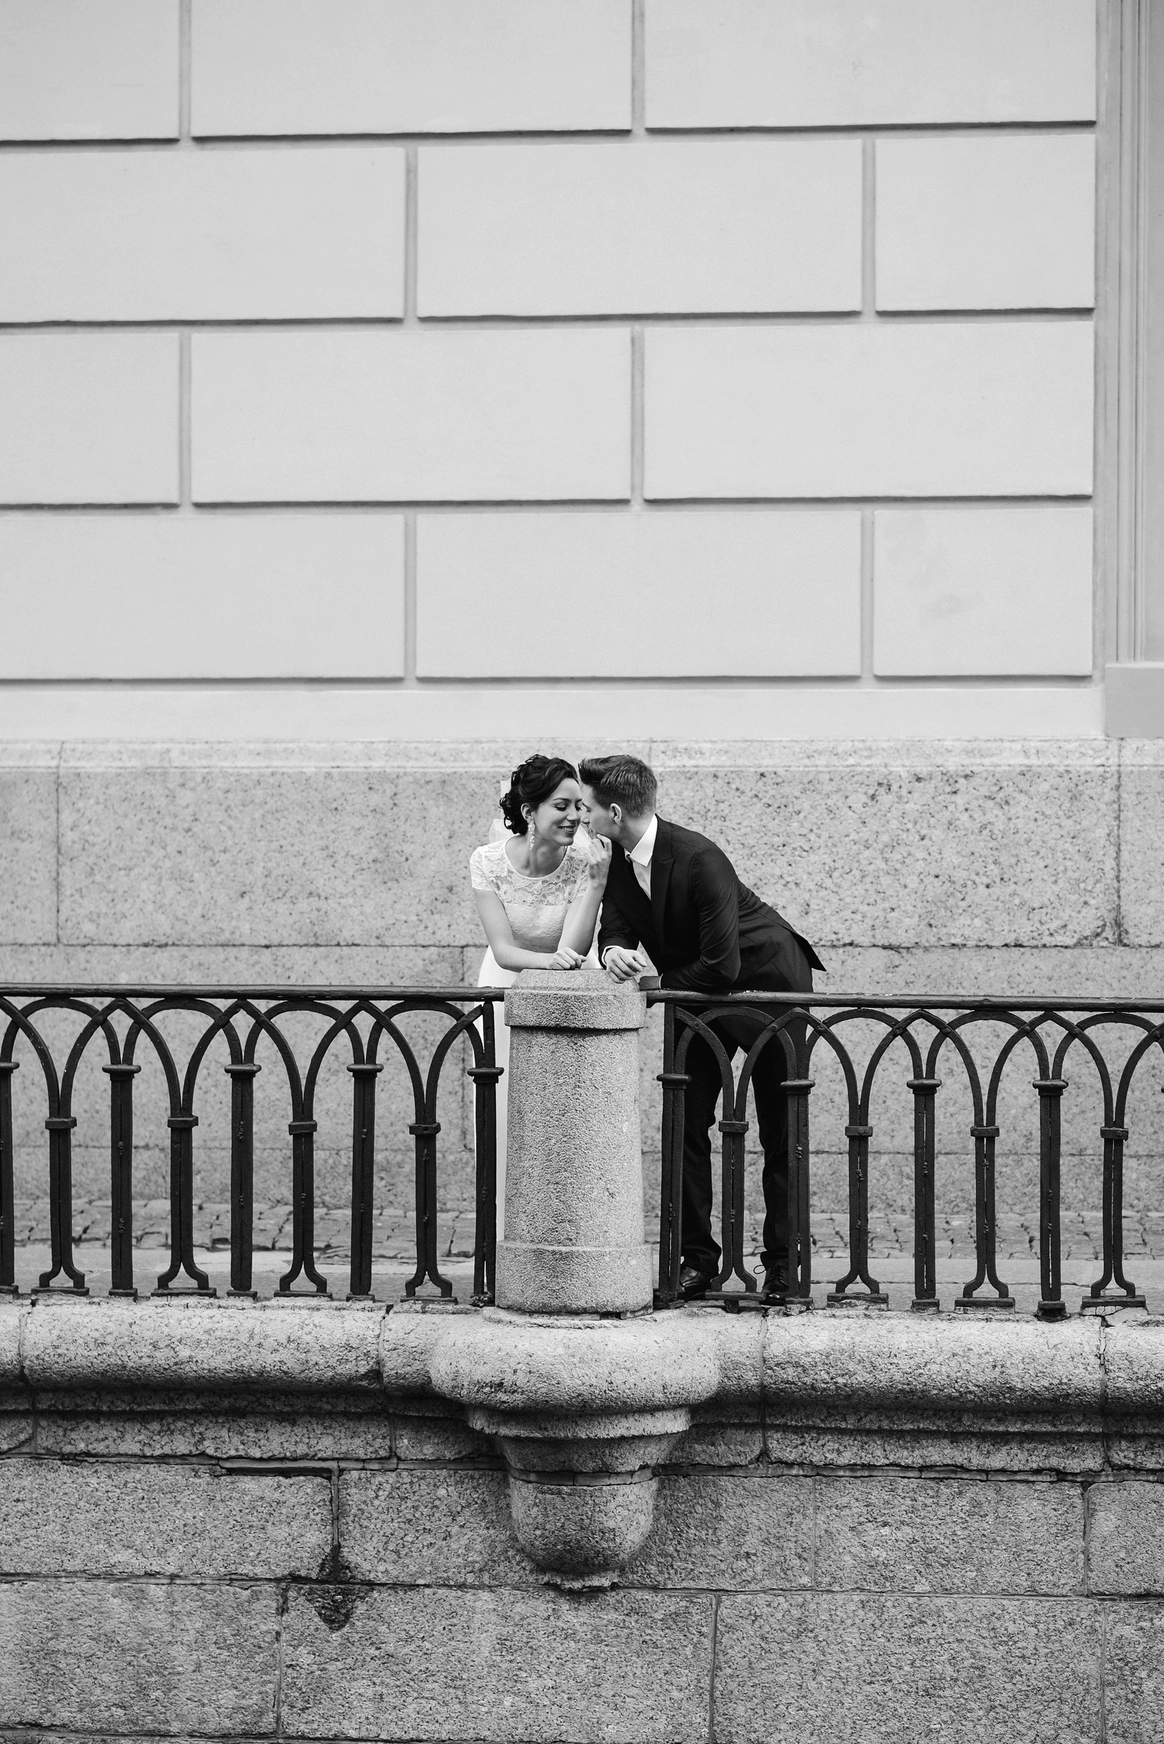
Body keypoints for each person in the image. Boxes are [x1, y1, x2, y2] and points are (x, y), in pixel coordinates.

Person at [578, 753, 824, 1301]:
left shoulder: (699, 857)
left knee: (780, 1131)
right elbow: (614, 929)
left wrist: (655, 985)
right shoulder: (616, 859)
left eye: (587, 808)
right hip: (694, 996)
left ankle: (783, 1265)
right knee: (685, 1126)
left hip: (768, 988)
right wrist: (613, 952)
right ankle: (697, 1260)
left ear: (614, 812)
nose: (581, 818)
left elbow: (722, 966)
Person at [471, 754, 611, 1225]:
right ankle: (500, 1224)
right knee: (501, 1103)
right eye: (561, 806)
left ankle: (562, 1219)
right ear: (530, 811)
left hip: (565, 988)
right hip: (503, 988)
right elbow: (504, 951)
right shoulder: (487, 861)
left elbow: (574, 949)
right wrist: (547, 961)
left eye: (579, 806)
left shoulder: (585, 862)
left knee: (562, 1112)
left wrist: (596, 884)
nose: (574, 817)